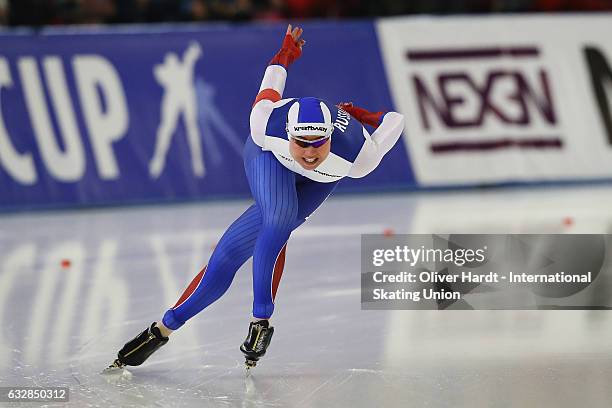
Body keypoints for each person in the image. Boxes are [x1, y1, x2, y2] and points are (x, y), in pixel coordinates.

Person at [105, 24, 405, 372]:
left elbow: (394, 120)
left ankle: (163, 330)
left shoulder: (358, 157)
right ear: (289, 133)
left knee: (242, 246)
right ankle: (252, 319)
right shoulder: (266, 125)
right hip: (268, 160)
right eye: (302, 142)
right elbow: (273, 82)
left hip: (321, 182)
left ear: (330, 139)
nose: (309, 152)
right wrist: (287, 53)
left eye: (318, 142)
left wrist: (361, 115)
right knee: (270, 225)